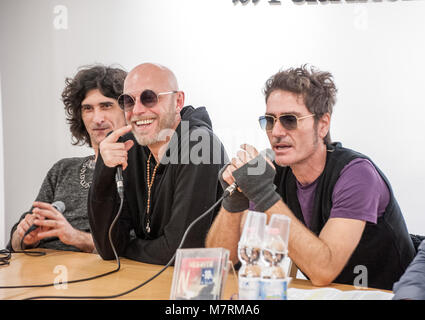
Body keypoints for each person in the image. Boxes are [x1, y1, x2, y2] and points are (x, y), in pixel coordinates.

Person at [206, 65, 415, 290]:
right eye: (269, 120)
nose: (276, 132)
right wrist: (234, 201)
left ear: (322, 124)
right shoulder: (274, 172)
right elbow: (221, 262)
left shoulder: (357, 175)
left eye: (289, 119)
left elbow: (323, 270)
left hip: (389, 294)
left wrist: (262, 192)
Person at [87, 63, 227, 265]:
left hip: (201, 287)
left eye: (149, 98)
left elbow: (179, 252)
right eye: (128, 101)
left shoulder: (200, 145)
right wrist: (103, 169)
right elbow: (108, 248)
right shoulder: (129, 145)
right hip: (151, 280)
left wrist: (127, 246)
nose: (137, 110)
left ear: (178, 101)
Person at [7, 64, 127, 253]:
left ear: (127, 110)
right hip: (42, 272)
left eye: (106, 106)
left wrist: (75, 237)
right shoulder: (62, 169)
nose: (97, 118)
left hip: (98, 276)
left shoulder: (141, 170)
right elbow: (15, 244)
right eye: (88, 108)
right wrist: (24, 238)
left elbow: (134, 248)